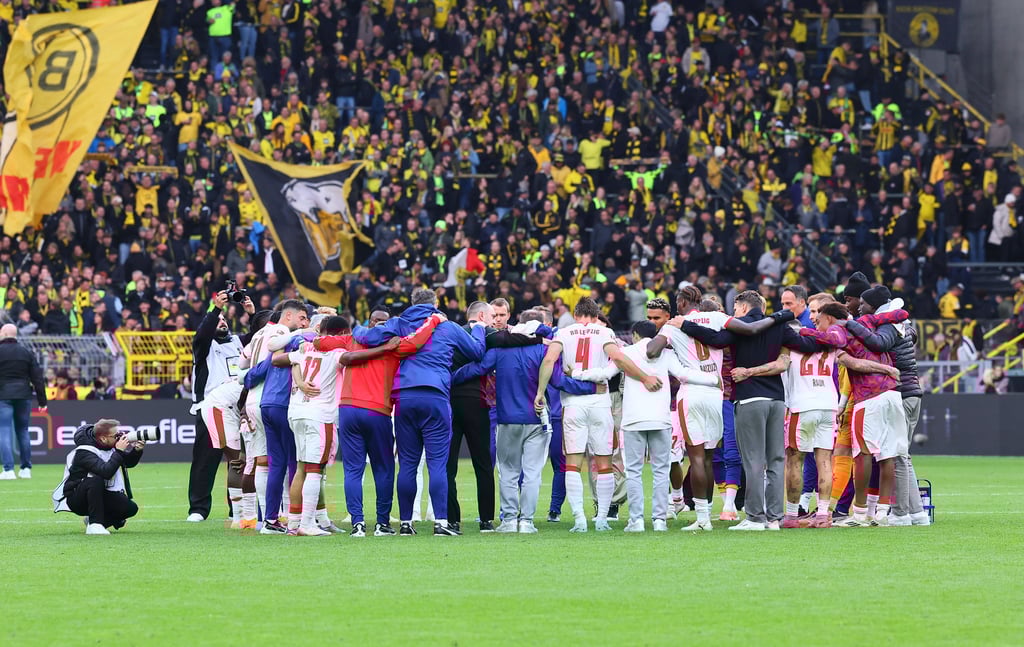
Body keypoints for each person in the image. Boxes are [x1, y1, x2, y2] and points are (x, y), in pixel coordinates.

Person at [646, 286, 790, 531]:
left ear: (681, 303)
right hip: (716, 392)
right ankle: (756, 514)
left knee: (696, 457)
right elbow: (750, 329)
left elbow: (651, 351)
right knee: (712, 457)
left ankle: (703, 519)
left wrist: (670, 350)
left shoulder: (674, 324)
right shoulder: (718, 318)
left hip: (691, 392)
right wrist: (782, 315)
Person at [352, 288, 487, 537]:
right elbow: (477, 352)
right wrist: (478, 327)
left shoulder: (399, 323)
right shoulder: (448, 326)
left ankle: (405, 523)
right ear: (435, 303)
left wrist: (356, 328)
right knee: (437, 464)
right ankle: (441, 524)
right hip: (435, 395)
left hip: (404, 396)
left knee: (408, 465)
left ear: (412, 303)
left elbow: (368, 337)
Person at [453, 310, 596, 533]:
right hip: (536, 418)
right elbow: (559, 381)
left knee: (508, 472)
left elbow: (477, 369)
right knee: (532, 473)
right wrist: (591, 387)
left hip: (507, 419)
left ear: (517, 324)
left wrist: (448, 378)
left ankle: (509, 520)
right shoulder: (544, 349)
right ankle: (527, 521)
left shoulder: (500, 350)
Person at [575, 320, 718, 532]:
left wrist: (577, 374)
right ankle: (659, 520)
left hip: (633, 420)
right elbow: (684, 374)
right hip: (661, 419)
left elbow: (604, 375)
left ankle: (637, 520)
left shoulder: (628, 352)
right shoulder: (667, 354)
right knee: (661, 471)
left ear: (634, 335)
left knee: (634, 472)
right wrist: (713, 379)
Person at [312, 311, 445, 536]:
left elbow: (318, 342)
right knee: (383, 468)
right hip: (377, 411)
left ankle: (358, 524)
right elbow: (418, 341)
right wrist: (434, 320)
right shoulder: (395, 345)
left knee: (353, 469)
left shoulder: (350, 338)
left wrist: (310, 333)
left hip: (348, 409)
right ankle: (382, 524)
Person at [535, 297, 662, 533]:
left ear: (576, 315)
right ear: (595, 316)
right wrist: (644, 377)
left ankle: (579, 520)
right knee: (604, 463)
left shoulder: (564, 332)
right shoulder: (605, 332)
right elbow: (620, 358)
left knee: (573, 463)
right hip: (600, 404)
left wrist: (540, 392)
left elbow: (550, 360)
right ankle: (602, 518)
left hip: (573, 405)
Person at [799, 299, 910, 526]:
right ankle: (881, 512)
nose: (818, 326)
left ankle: (859, 514)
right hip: (893, 394)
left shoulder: (836, 330)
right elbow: (901, 314)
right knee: (888, 454)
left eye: (818, 321)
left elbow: (844, 349)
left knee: (863, 454)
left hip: (868, 397)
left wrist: (803, 331)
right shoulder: (866, 322)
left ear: (829, 318)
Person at [446, 300, 542, 532]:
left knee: (448, 465)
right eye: (491, 317)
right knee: (483, 464)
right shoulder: (485, 334)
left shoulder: (452, 333)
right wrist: (538, 338)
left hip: (448, 403)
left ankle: (450, 519)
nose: (494, 322)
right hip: (476, 403)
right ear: (481, 317)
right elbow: (506, 339)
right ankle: (486, 519)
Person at [843, 286, 931, 526]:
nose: (860, 307)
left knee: (897, 455)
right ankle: (917, 513)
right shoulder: (896, 321)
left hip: (900, 392)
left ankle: (901, 513)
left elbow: (880, 344)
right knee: (902, 454)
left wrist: (851, 325)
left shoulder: (888, 325)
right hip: (908, 391)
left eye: (863, 303)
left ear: (874, 306)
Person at [243, 299, 309, 533]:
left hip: (264, 402)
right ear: (288, 316)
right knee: (295, 463)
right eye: (302, 318)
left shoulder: (260, 335)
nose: (305, 322)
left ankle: (268, 519)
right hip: (283, 404)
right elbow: (276, 350)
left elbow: (247, 370)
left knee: (273, 463)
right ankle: (296, 519)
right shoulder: (290, 337)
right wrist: (303, 332)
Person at [186, 289, 252, 521]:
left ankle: (238, 508)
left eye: (224, 320)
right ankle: (198, 509)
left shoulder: (237, 341)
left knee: (239, 460)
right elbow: (202, 334)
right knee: (205, 461)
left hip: (239, 410)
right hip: (209, 408)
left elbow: (259, 338)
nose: (222, 322)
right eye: (218, 320)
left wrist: (251, 314)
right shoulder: (203, 347)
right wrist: (216, 309)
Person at [55, 419, 144, 535]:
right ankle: (95, 524)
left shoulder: (109, 446)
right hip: (77, 498)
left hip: (98, 494)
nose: (120, 437)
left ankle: (95, 521)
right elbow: (106, 472)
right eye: (116, 435)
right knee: (95, 480)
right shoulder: (84, 452)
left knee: (130, 508)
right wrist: (119, 451)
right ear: (103, 438)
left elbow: (127, 463)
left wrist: (136, 450)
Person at [0, 323, 46, 480]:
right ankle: (26, 468)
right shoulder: (26, 352)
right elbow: (38, 378)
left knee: (4, 431)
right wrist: (42, 401)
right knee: (23, 431)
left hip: (3, 396)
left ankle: (8, 470)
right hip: (23, 395)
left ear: (5, 333)